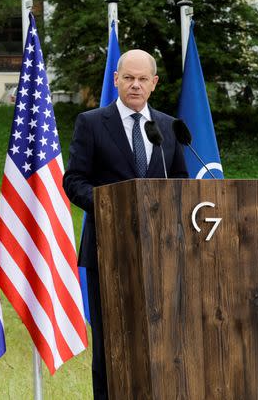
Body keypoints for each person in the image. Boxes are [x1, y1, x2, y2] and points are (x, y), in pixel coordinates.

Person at [63, 49, 188, 400]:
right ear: (115, 79)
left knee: (162, 337)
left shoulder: (168, 127)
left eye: (142, 79)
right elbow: (74, 181)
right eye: (128, 78)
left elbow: (179, 180)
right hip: (109, 250)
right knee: (112, 341)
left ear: (154, 83)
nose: (135, 85)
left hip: (163, 251)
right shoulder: (91, 122)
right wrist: (113, 208)